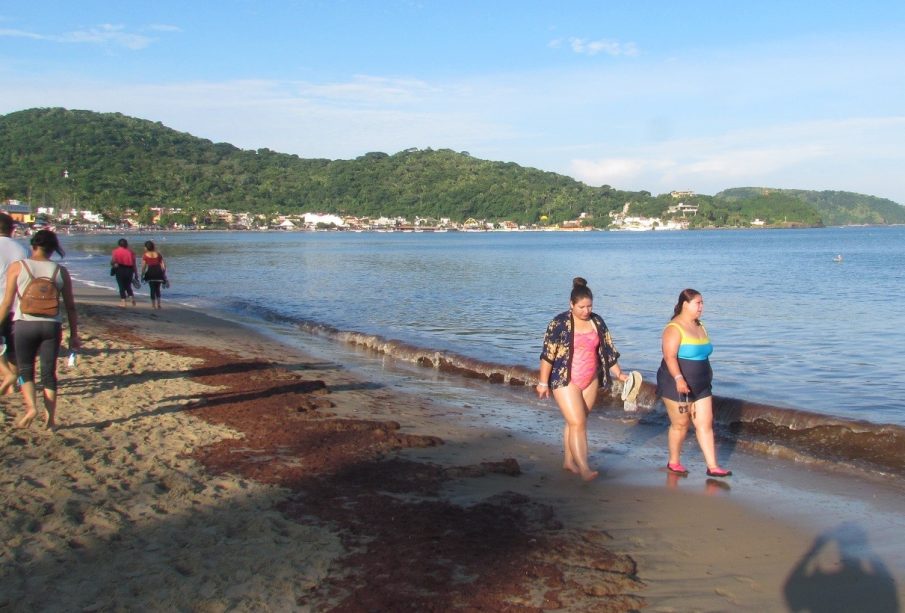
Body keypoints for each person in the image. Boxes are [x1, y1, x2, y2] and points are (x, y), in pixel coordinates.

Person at [536, 277, 631, 481]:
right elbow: (548, 355)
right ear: (571, 304)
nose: (586, 311)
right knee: (577, 421)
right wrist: (543, 382)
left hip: (590, 378)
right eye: (581, 307)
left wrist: (619, 373)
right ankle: (585, 468)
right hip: (565, 379)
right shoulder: (559, 323)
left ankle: (569, 462)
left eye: (589, 306)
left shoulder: (597, 321)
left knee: (577, 422)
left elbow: (608, 350)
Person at [0, 229, 80, 430]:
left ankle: (31, 408)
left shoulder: (18, 267)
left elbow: (8, 302)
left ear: (33, 246)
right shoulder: (60, 271)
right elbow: (70, 306)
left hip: (24, 324)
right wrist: (74, 335)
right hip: (51, 326)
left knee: (26, 369)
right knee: (49, 373)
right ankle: (51, 420)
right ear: (53, 250)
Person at [656, 288, 731, 477]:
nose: (701, 307)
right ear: (685, 305)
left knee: (705, 424)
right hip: (677, 385)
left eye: (702, 303)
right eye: (698, 303)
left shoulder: (700, 326)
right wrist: (679, 379)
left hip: (703, 385)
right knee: (680, 425)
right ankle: (674, 462)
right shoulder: (674, 328)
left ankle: (713, 466)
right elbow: (669, 357)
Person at [0, 213, 27, 395]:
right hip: (17, 304)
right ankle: (14, 384)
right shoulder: (22, 249)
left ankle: (7, 374)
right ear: (12, 229)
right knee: (12, 346)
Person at [110, 238, 138, 307]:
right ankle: (132, 298)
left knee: (121, 286)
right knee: (128, 285)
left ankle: (123, 302)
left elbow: (113, 261)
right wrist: (136, 274)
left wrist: (113, 265)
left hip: (120, 269)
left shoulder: (115, 251)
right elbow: (134, 264)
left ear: (119, 244)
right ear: (126, 244)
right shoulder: (131, 252)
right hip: (130, 270)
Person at [141, 240, 167, 309]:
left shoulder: (145, 255)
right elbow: (163, 266)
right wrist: (164, 275)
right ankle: (159, 304)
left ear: (146, 247)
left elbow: (144, 267)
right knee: (157, 289)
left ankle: (153, 305)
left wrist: (142, 275)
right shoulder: (158, 254)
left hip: (150, 273)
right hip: (159, 273)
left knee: (152, 289)